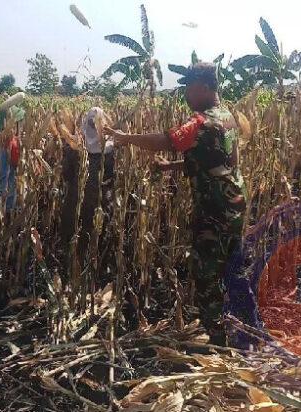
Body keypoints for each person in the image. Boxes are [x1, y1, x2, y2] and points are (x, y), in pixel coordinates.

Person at [104, 62, 258, 344]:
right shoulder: (227, 118)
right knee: (234, 265)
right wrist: (170, 168)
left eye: (189, 86)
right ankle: (251, 325)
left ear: (202, 86)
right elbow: (220, 162)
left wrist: (125, 137)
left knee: (206, 275)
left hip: (214, 210)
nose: (186, 93)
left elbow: (166, 140)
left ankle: (219, 341)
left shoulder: (200, 122)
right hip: (235, 203)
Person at [78, 107, 115, 260]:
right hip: (104, 197)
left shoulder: (82, 147)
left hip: (89, 196)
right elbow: (112, 176)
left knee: (88, 220)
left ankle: (88, 253)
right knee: (102, 221)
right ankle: (100, 254)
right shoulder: (109, 147)